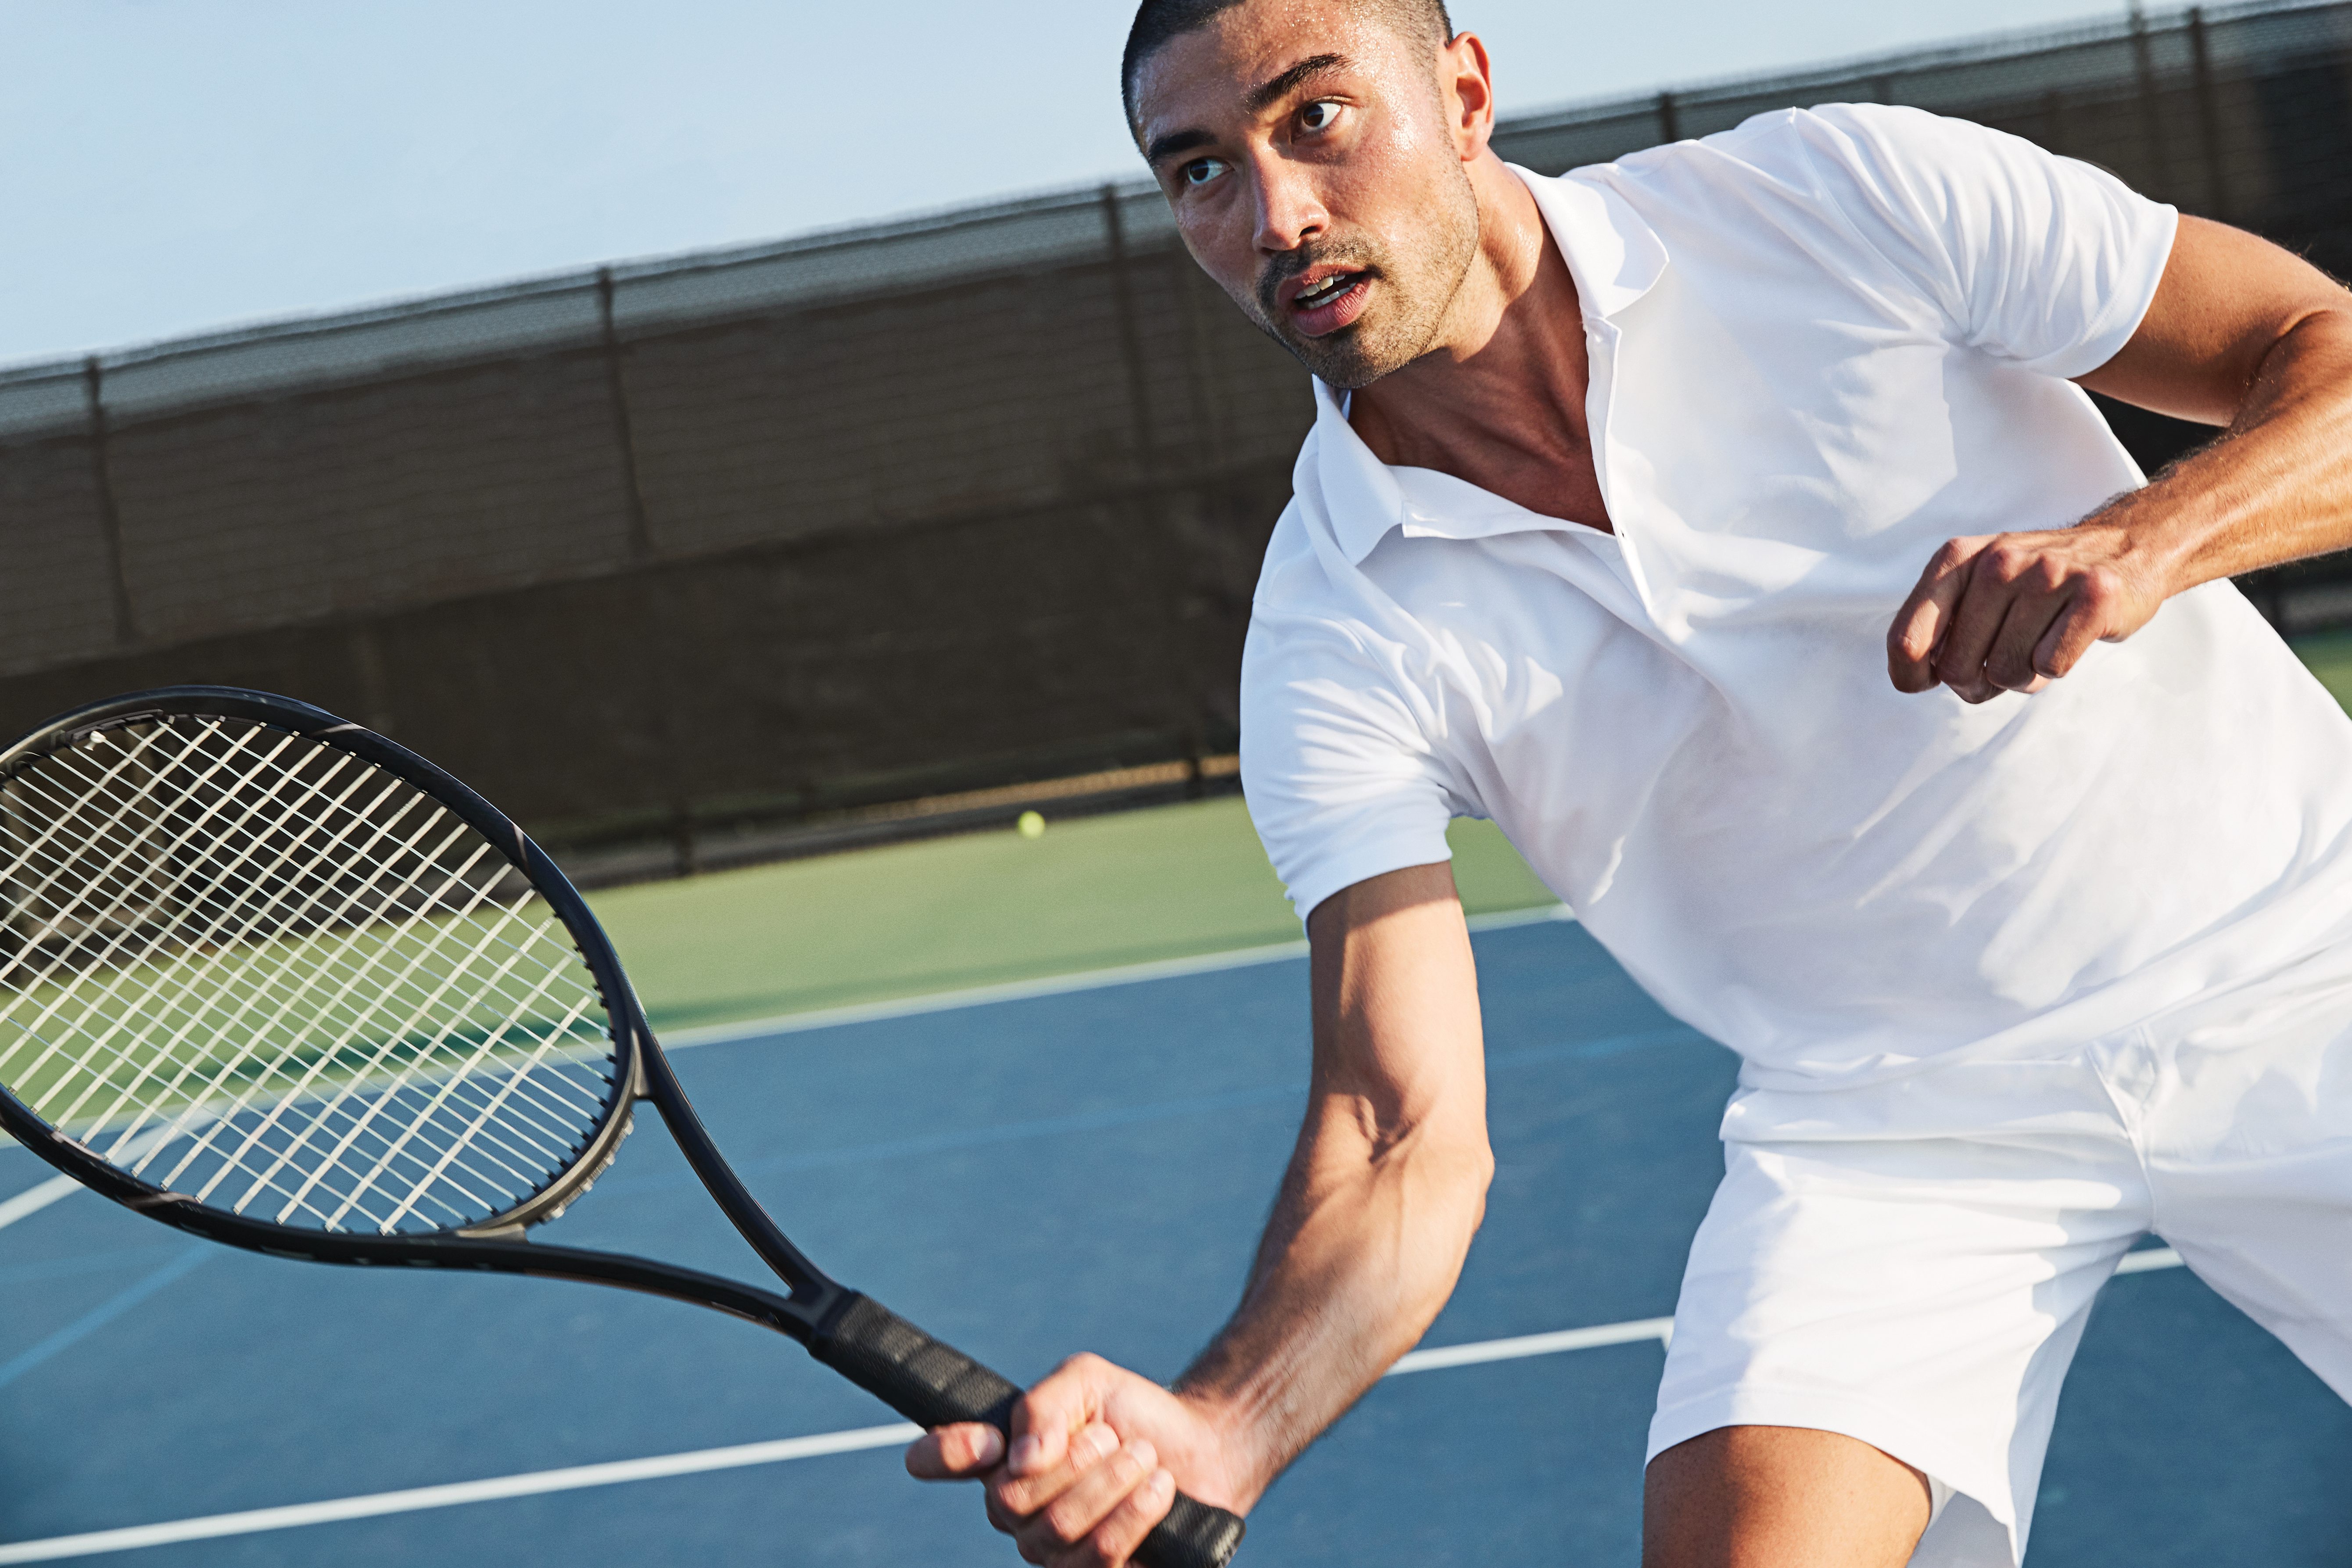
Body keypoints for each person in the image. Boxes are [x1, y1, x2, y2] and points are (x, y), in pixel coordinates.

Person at [907, 0, 2352, 1563]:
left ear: (1463, 92)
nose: (1275, 217)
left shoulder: (1839, 198)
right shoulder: (1337, 632)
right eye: (1198, 171)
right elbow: (1402, 1132)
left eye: (1312, 119)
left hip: (2300, 947)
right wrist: (1225, 1424)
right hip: (1890, 1125)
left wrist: (2147, 540)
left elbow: (2321, 355)